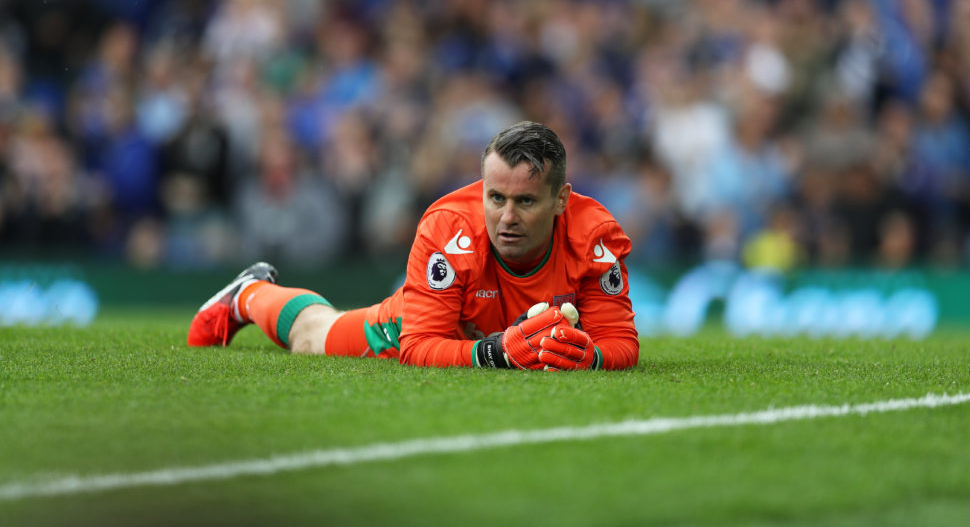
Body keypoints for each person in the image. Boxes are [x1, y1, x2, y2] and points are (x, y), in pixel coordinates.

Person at [187, 121, 639, 370]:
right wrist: (497, 352)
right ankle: (248, 294)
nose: (506, 217)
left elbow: (620, 342)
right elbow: (420, 346)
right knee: (313, 338)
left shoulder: (594, 236)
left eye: (525, 202)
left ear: (561, 200)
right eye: (495, 197)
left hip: (487, 330)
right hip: (435, 319)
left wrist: (589, 356)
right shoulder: (448, 229)